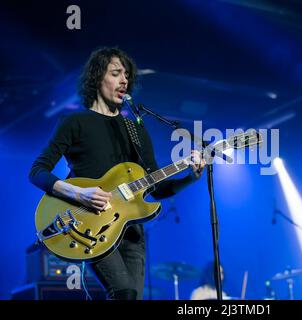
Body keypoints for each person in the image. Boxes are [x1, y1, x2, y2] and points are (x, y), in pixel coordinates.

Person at [29, 47, 205, 300]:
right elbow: (37, 172)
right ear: (97, 77)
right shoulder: (75, 123)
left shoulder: (136, 130)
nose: (125, 80)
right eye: (116, 73)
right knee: (124, 293)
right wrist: (79, 194)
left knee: (132, 296)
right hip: (89, 225)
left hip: (131, 230)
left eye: (127, 75)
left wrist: (191, 177)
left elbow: (157, 188)